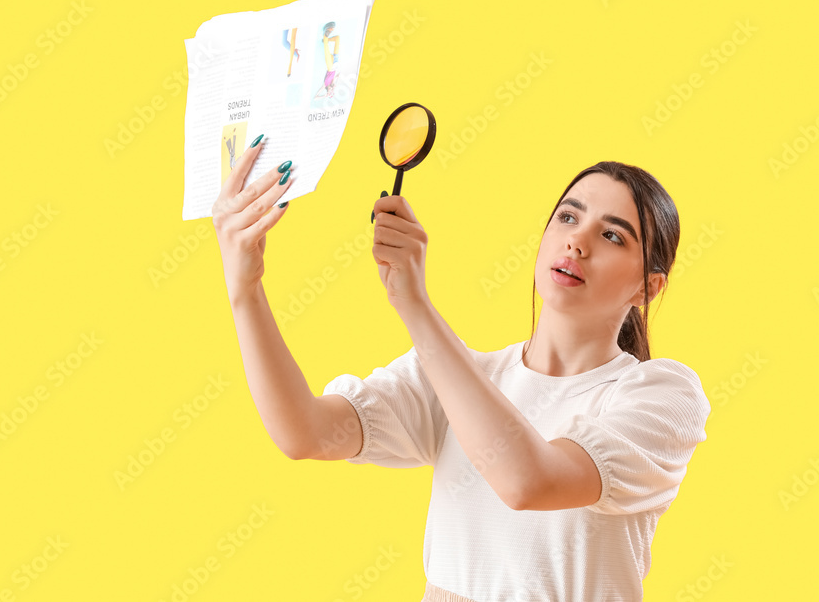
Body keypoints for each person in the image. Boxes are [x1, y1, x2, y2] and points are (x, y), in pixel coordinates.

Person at [210, 135, 711, 602]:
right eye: (567, 218)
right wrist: (244, 288)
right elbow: (306, 433)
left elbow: (529, 482)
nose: (577, 242)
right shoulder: (456, 377)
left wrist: (415, 305)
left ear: (648, 289)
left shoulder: (661, 396)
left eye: (612, 236)